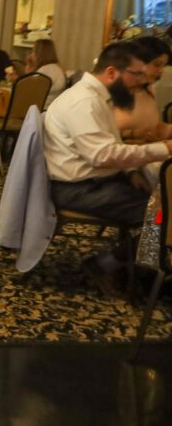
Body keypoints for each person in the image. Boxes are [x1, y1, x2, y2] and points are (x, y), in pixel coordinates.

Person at [43, 42, 172, 293]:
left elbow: (109, 147)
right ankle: (108, 263)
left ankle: (143, 268)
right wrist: (165, 149)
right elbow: (101, 155)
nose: (140, 81)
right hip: (78, 189)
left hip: (94, 181)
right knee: (165, 214)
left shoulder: (98, 98)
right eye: (137, 74)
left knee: (162, 202)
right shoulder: (83, 102)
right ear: (112, 72)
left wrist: (131, 172)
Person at [115, 36, 171, 142]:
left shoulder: (148, 88)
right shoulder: (113, 90)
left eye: (163, 66)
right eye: (157, 65)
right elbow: (96, 134)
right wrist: (132, 134)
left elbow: (150, 126)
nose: (161, 71)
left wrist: (164, 129)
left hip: (148, 154)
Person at [24, 38, 66, 108]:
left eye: (33, 51)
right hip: (52, 107)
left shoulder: (44, 71)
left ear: (39, 53)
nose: (31, 55)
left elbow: (28, 92)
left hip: (42, 109)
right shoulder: (55, 67)